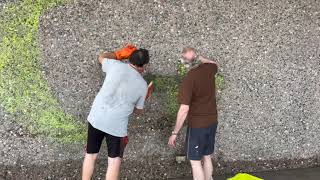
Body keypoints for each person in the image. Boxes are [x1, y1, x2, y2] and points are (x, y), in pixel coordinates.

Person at [82, 45, 152, 180]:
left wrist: (118, 54)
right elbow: (138, 111)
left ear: (129, 57)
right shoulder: (143, 85)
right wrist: (145, 96)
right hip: (116, 126)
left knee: (90, 155)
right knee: (114, 161)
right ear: (145, 65)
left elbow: (101, 57)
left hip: (96, 117)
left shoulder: (114, 65)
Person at [168, 47, 219, 180]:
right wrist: (201, 58)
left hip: (197, 126)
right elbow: (214, 64)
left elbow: (184, 109)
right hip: (212, 121)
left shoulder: (189, 79)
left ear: (185, 63)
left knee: (195, 161)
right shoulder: (209, 70)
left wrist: (175, 132)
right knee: (207, 157)